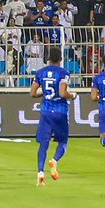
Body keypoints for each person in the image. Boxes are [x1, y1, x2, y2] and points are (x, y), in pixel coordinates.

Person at [31, 46, 75, 186]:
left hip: (45, 111)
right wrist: (72, 95)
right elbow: (62, 93)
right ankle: (55, 160)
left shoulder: (40, 72)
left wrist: (43, 93)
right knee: (63, 142)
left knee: (44, 143)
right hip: (60, 111)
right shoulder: (64, 73)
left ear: (49, 58)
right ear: (61, 59)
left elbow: (32, 93)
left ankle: (40, 173)